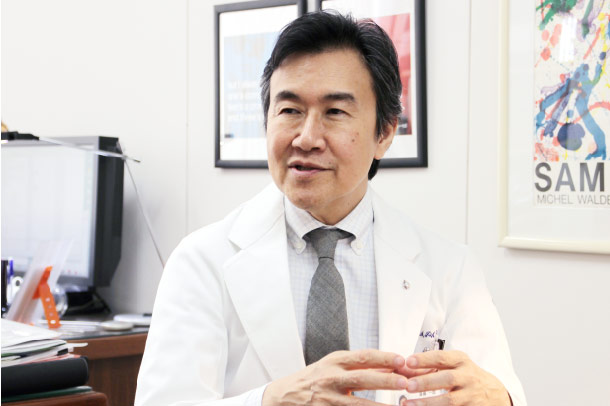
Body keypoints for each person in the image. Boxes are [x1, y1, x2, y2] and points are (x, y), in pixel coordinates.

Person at [135, 11, 526, 406]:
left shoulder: (449, 269)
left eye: (335, 112)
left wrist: (502, 399)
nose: (306, 138)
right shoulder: (201, 261)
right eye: (289, 110)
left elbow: (498, 391)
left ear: (385, 133)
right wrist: (271, 400)